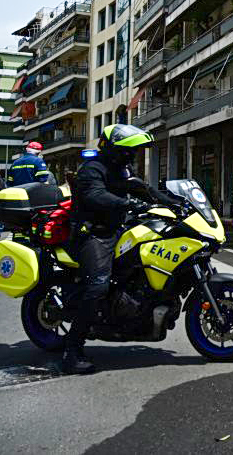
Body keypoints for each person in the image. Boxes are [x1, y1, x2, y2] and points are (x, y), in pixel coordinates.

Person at [64, 124, 155, 374]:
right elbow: (96, 196)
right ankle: (72, 351)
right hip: (93, 233)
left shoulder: (120, 168)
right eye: (129, 151)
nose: (133, 155)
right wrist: (127, 203)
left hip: (116, 229)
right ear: (116, 150)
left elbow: (140, 188)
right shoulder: (92, 169)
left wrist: (173, 201)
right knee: (98, 284)